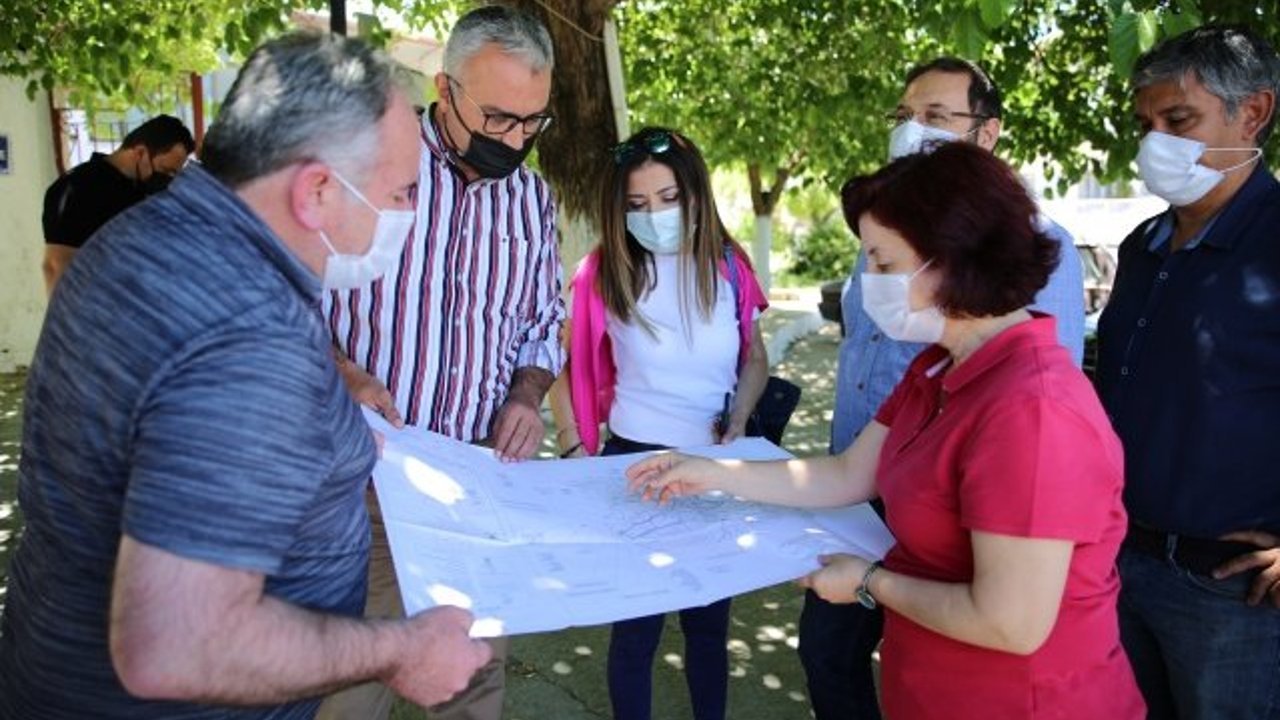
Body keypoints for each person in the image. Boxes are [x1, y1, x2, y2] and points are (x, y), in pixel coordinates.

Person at [0, 31, 492, 720]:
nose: (412, 214)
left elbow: (184, 431)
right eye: (404, 192)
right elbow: (176, 646)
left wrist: (324, 434)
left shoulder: (145, 236)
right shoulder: (251, 334)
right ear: (317, 190)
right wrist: (400, 650)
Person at [627, 142, 1145, 720]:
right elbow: (847, 474)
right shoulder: (939, 366)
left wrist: (870, 582)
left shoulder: (1033, 410)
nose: (869, 281)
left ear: (953, 257)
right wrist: (712, 472)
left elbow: (1011, 622)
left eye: (883, 263)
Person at [804, 56, 1086, 720]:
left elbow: (1046, 390)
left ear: (986, 133)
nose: (912, 130)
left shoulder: (1036, 264)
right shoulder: (923, 365)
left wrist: (874, 580)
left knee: (942, 653)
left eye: (934, 116)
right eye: (904, 115)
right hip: (858, 479)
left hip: (945, 504)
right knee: (830, 654)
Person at [317, 7, 564, 720]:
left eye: (532, 122)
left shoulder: (532, 200)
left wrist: (526, 396)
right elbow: (282, 295)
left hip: (474, 489)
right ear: (445, 89)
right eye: (498, 118)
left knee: (472, 688)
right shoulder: (361, 167)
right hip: (361, 484)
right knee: (347, 689)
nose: (515, 139)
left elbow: (544, 322)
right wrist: (346, 374)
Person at [545, 125, 768, 720]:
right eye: (637, 204)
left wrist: (740, 415)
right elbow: (561, 366)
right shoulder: (603, 274)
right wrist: (572, 449)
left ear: (695, 195)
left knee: (708, 628)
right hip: (634, 464)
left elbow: (754, 355)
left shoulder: (730, 266)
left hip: (714, 467)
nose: (654, 216)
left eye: (669, 198)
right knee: (635, 632)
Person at [1095, 25, 1280, 719]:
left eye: (1178, 121)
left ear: (1252, 113)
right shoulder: (1140, 247)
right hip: (1119, 562)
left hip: (1232, 595)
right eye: (1146, 125)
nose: (1155, 145)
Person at [41, 114, 194, 295]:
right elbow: (56, 265)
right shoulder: (79, 188)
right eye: (165, 171)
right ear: (140, 152)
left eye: (174, 174)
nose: (168, 180)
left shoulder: (139, 192)